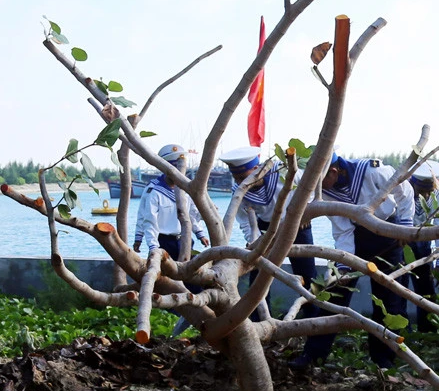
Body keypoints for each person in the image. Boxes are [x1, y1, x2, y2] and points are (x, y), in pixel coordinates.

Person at [293, 152, 414, 368]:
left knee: (389, 300)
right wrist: (344, 267)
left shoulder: (373, 171)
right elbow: (342, 230)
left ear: (334, 171)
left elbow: (405, 191)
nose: (319, 189)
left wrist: (405, 227)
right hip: (356, 239)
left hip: (388, 236)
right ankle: (313, 355)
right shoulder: (327, 192)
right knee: (334, 294)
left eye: (321, 182)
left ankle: (383, 360)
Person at [219, 147, 316, 318]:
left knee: (307, 275)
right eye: (237, 179)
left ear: (257, 170)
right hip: (266, 230)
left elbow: (309, 189)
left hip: (297, 225)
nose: (242, 183)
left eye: (244, 177)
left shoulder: (284, 172)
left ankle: (312, 317)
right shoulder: (239, 190)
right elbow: (245, 223)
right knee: (258, 277)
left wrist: (305, 211)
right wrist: (255, 242)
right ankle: (259, 319)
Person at [132, 144, 210, 259]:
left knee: (191, 273)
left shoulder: (187, 188)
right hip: (164, 242)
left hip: (185, 239)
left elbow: (191, 213)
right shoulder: (154, 190)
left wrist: (200, 233)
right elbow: (147, 218)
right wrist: (150, 245)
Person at [407, 160, 439, 333]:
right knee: (396, 290)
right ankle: (401, 334)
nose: (425, 195)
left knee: (427, 291)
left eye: (428, 191)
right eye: (421, 191)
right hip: (398, 242)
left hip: (423, 245)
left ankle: (428, 332)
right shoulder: (401, 190)